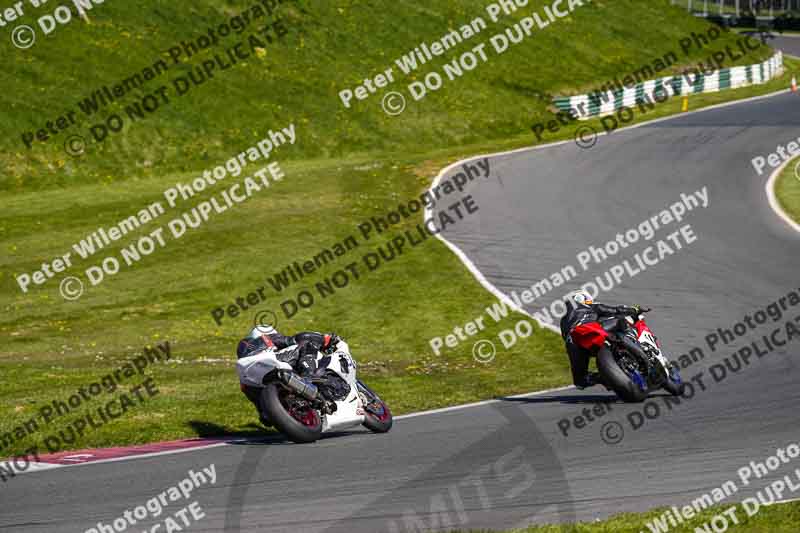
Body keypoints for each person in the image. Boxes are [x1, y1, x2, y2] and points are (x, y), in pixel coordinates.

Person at [236, 325, 339, 424]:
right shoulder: (268, 338)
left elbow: (258, 406)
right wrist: (325, 339)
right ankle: (308, 377)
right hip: (273, 364)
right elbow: (295, 339)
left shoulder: (246, 352)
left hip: (251, 381)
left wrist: (265, 412)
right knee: (307, 345)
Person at [559, 289, 645, 389]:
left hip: (573, 343)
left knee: (580, 381)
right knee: (620, 320)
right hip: (590, 330)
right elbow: (614, 310)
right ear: (582, 299)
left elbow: (565, 336)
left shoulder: (563, 320)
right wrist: (634, 309)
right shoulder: (589, 306)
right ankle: (634, 342)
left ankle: (605, 379)